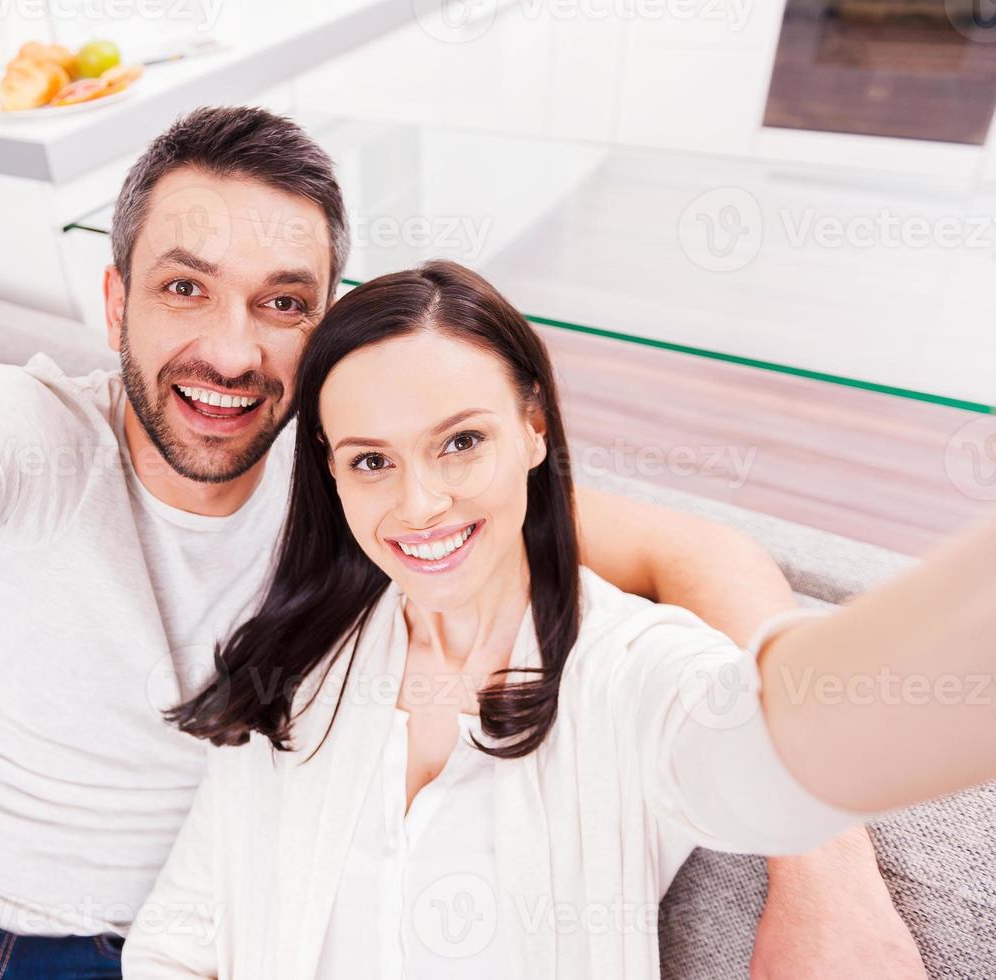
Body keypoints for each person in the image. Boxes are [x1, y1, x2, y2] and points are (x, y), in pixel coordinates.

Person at [0, 109, 916, 978]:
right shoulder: (28, 427)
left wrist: (828, 893)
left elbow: (705, 562)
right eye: (186, 288)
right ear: (118, 296)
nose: (230, 351)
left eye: (283, 301)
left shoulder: (375, 485)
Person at [123, 260, 995, 979]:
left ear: (533, 429)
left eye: (460, 442)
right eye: (371, 460)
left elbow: (782, 743)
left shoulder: (625, 670)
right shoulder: (297, 664)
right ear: (331, 470)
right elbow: (178, 938)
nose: (419, 504)